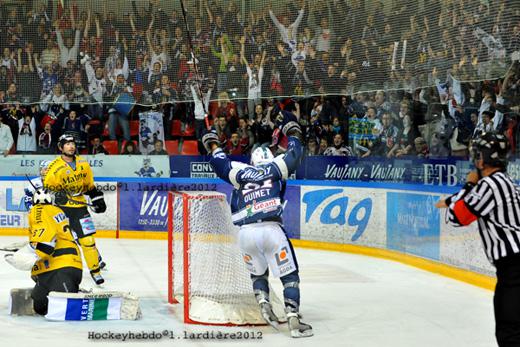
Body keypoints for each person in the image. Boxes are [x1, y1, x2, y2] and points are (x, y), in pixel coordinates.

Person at [202, 111, 313, 338]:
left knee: (258, 275)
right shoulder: (275, 167)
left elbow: (218, 161)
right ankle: (293, 319)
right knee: (289, 276)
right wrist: (291, 129)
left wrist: (212, 140)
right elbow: (296, 152)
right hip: (271, 230)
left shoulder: (240, 171)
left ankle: (263, 304)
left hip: (245, 234)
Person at [434, 133, 520, 346]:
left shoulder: (488, 185)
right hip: (513, 266)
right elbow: (470, 203)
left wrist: (468, 186)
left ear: (482, 159)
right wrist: (452, 200)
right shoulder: (503, 182)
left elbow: (458, 217)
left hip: (514, 268)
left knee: (510, 332)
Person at [5, 188, 82, 315]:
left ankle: (73, 291)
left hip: (60, 266)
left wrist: (24, 257)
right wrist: (27, 246)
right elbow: (51, 235)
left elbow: (46, 245)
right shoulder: (55, 210)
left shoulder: (39, 210)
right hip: (62, 265)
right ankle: (71, 288)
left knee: (60, 308)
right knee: (40, 308)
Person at [44, 134, 106, 285]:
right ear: (61, 147)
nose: (71, 146)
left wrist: (97, 199)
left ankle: (95, 271)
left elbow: (90, 187)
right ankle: (53, 270)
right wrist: (57, 196)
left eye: (72, 143)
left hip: (80, 207)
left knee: (88, 240)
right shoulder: (54, 167)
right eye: (67, 144)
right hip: (60, 210)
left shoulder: (83, 164)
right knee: (58, 242)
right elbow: (47, 190)